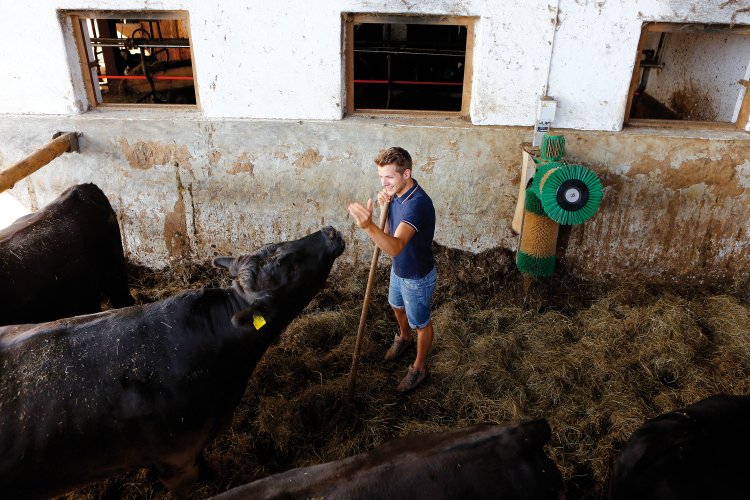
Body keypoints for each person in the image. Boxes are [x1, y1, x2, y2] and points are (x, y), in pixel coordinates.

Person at [347, 147, 437, 392]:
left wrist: (367, 226)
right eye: (380, 177)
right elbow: (388, 235)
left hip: (417, 276)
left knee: (422, 322)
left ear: (406, 173)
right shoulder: (396, 196)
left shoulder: (416, 204)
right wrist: (383, 211)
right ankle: (404, 337)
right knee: (396, 305)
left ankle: (419, 368)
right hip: (399, 270)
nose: (384, 182)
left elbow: (395, 247)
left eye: (389, 177)